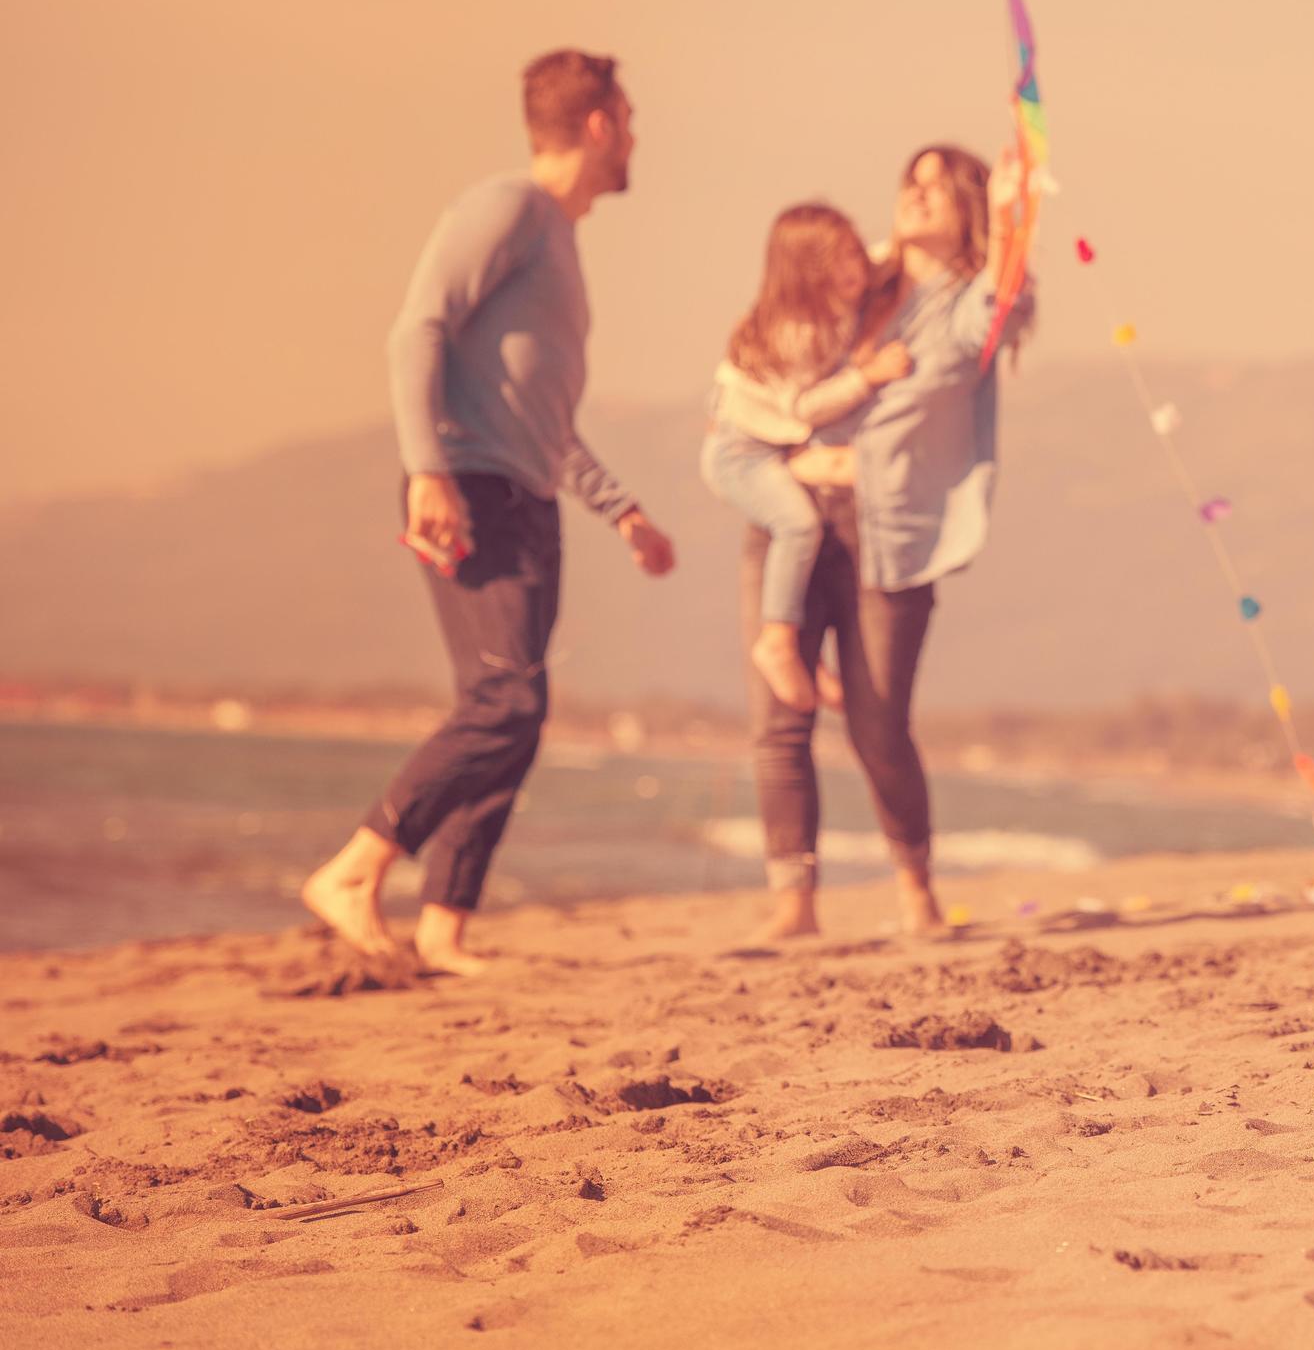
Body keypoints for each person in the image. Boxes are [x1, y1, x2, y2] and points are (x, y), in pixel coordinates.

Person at [300, 49, 676, 975]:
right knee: (508, 701)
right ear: (597, 124)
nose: (636, 136)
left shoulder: (556, 236)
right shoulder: (507, 208)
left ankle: (443, 927)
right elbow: (414, 328)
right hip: (469, 488)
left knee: (509, 709)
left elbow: (541, 417)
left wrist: (618, 508)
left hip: (522, 493)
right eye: (628, 117)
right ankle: (358, 867)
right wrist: (429, 472)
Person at [743, 143, 1028, 940]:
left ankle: (914, 891)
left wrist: (1011, 216)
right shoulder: (847, 276)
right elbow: (764, 349)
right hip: (790, 514)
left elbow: (1007, 304)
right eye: (912, 181)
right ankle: (792, 905)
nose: (919, 195)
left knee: (877, 721)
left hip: (887, 532)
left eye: (940, 188)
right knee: (779, 715)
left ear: (969, 208)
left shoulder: (966, 301)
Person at [700, 203, 914, 713]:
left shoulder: (854, 280)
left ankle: (800, 649)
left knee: (802, 537)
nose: (853, 272)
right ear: (803, 279)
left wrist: (906, 226)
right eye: (834, 265)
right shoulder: (796, 331)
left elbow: (890, 255)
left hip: (768, 445)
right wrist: (870, 376)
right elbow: (804, 408)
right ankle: (776, 642)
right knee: (797, 527)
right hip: (741, 452)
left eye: (853, 254)